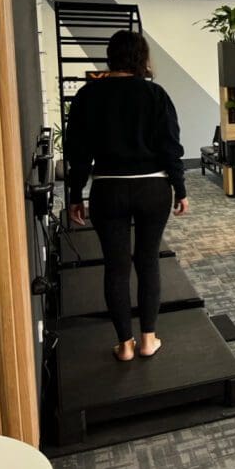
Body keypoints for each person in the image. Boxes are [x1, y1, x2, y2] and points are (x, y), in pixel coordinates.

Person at [65, 31, 188, 362]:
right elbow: (170, 146)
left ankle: (125, 345)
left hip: (108, 189)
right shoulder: (155, 94)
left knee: (116, 267)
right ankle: (148, 339)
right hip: (153, 188)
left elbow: (78, 152)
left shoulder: (87, 95)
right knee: (148, 261)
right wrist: (180, 188)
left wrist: (75, 194)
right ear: (141, 58)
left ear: (110, 56)